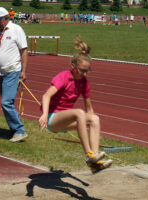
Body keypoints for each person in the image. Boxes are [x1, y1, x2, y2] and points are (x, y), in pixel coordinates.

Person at [38, 36, 112, 174]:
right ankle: (88, 155)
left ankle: (95, 162)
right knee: (79, 112)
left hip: (67, 120)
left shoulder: (84, 82)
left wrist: (95, 130)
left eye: (87, 71)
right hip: (52, 119)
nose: (84, 74)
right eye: (82, 70)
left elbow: (89, 109)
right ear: (73, 66)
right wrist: (44, 114)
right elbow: (46, 95)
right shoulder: (64, 77)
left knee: (95, 118)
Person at [0, 7, 28, 142]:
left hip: (13, 71)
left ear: (5, 18)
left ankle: (20, 131)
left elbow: (24, 51)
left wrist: (24, 71)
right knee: (7, 103)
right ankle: (13, 131)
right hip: (1, 73)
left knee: (6, 102)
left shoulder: (16, 29)